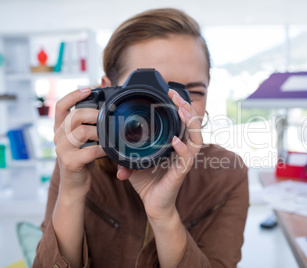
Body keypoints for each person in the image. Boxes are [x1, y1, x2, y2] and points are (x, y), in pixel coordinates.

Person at [33, 8, 249, 268]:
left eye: (192, 92)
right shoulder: (79, 161)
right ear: (107, 91)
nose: (173, 106)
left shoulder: (226, 173)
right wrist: (72, 190)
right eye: (150, 92)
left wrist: (164, 215)